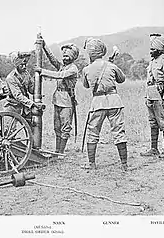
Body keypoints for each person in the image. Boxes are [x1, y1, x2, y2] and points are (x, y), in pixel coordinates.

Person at [81, 38, 128, 171]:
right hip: (114, 101)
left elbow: (85, 85)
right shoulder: (111, 66)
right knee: (119, 132)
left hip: (98, 102)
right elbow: (122, 79)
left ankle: (91, 163)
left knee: (93, 132)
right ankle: (124, 164)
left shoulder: (86, 69)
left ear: (90, 53)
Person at [34, 38, 79, 154]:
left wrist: (41, 71)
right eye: (63, 56)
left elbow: (60, 75)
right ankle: (57, 151)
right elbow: (52, 59)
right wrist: (44, 46)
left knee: (65, 128)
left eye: (67, 56)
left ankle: (61, 153)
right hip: (57, 99)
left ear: (72, 57)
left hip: (67, 100)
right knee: (57, 127)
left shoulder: (73, 69)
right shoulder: (63, 66)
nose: (64, 58)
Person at [140, 34, 164, 158]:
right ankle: (154, 149)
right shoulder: (152, 63)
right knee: (153, 122)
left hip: (160, 96)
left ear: (160, 50)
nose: (150, 51)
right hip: (150, 95)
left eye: (153, 49)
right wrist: (146, 96)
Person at [4, 51, 43, 126]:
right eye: (22, 65)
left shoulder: (26, 74)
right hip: (13, 106)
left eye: (25, 64)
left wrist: (37, 80)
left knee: (32, 126)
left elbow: (31, 90)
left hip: (25, 107)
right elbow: (18, 95)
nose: (24, 67)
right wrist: (32, 104)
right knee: (10, 131)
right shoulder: (11, 78)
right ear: (17, 65)